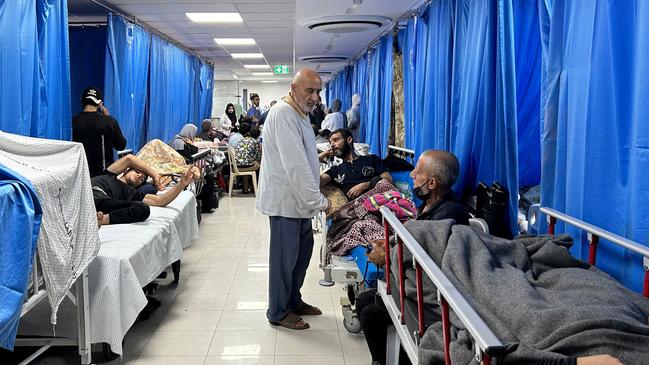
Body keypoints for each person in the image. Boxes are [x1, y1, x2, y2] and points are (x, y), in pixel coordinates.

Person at [355, 150, 469, 365]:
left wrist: (389, 255)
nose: (412, 174)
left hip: (435, 296)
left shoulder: (449, 215)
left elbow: (430, 260)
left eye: (418, 171)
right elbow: (411, 240)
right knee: (363, 301)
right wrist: (389, 245)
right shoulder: (427, 206)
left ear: (432, 183)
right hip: (412, 283)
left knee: (371, 314)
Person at [256, 68, 330, 331]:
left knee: (301, 257)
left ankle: (293, 300)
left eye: (318, 91)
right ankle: (277, 311)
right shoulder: (283, 114)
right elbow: (295, 166)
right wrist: (322, 202)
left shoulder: (300, 114)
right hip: (286, 202)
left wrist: (320, 182)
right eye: (309, 90)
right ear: (294, 88)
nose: (315, 97)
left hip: (300, 202)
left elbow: (306, 159)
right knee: (284, 262)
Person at [92, 154, 193, 225]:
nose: (139, 176)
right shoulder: (110, 174)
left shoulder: (132, 193)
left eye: (142, 179)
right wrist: (155, 175)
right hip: (86, 191)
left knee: (143, 209)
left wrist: (181, 184)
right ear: (126, 170)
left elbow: (160, 201)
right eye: (136, 171)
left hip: (101, 202)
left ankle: (100, 220)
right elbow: (129, 159)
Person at [319, 129, 392, 199]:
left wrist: (367, 185)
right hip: (355, 207)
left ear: (349, 140)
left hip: (379, 200)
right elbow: (315, 183)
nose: (332, 145)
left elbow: (388, 180)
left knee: (376, 179)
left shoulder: (371, 159)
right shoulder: (335, 170)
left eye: (335, 140)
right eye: (330, 143)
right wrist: (318, 158)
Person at [72, 87, 127, 177]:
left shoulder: (72, 122)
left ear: (81, 101)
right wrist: (108, 118)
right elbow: (121, 145)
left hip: (80, 176)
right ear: (100, 104)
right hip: (104, 177)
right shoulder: (109, 121)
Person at [235, 127, 262, 194]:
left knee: (246, 162)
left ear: (249, 133)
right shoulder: (256, 142)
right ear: (258, 136)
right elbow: (259, 157)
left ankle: (245, 188)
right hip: (247, 166)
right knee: (259, 165)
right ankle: (256, 187)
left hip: (236, 166)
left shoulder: (242, 140)